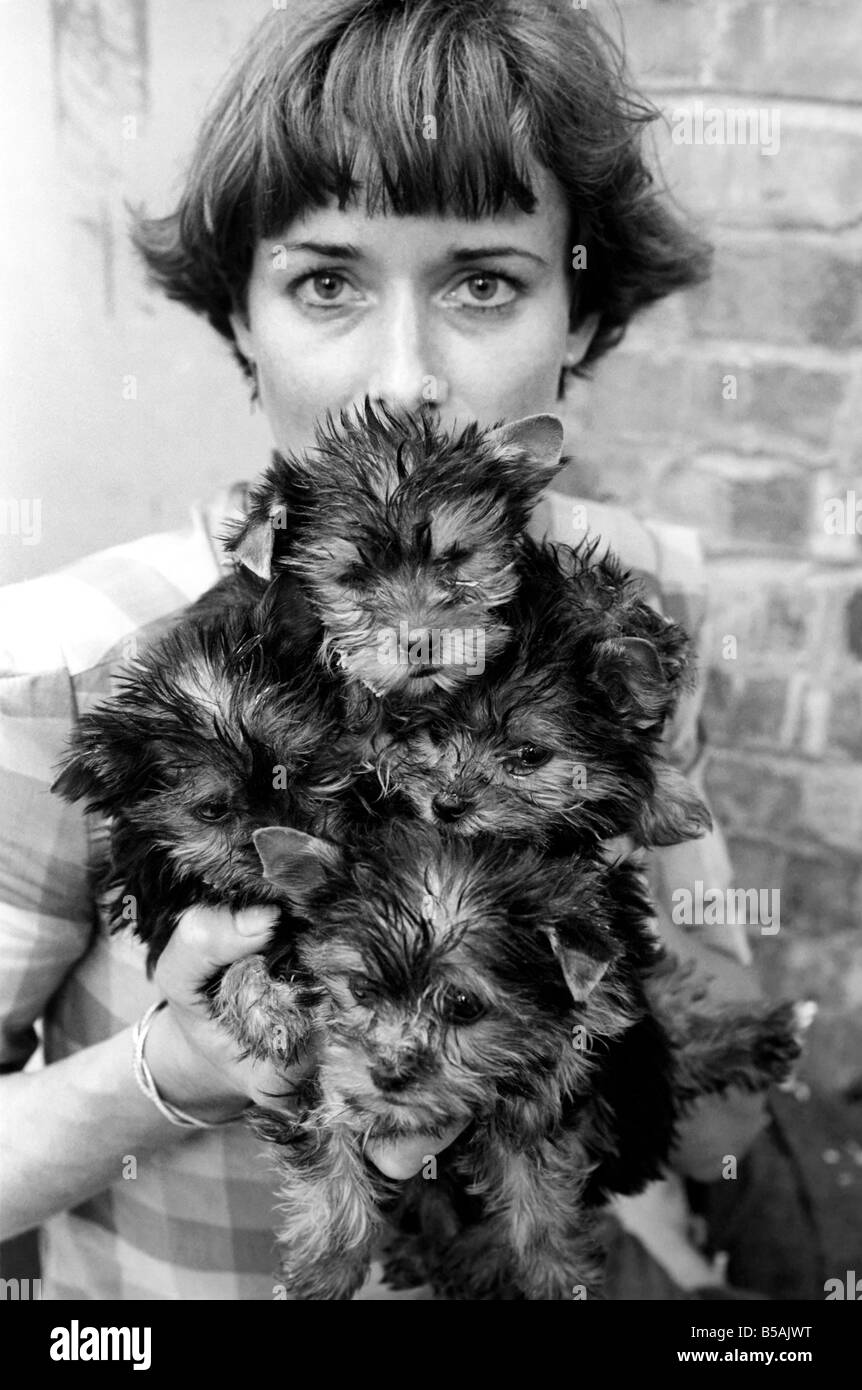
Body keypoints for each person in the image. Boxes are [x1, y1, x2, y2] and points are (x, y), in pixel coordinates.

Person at [0, 0, 772, 1300]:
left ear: (577, 314)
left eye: (483, 280)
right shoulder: (72, 664)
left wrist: (583, 933)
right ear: (239, 318)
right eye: (325, 281)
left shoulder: (633, 604)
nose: (404, 374)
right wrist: (170, 1073)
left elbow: (721, 1123)